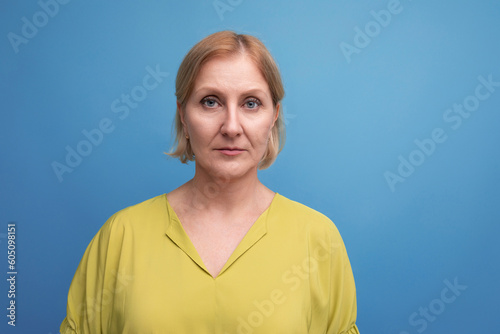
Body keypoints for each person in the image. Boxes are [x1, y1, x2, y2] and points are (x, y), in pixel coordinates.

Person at [60, 30, 359, 334]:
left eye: (251, 103)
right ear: (183, 116)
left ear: (273, 117)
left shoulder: (318, 240)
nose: (231, 127)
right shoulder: (121, 237)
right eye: (210, 102)